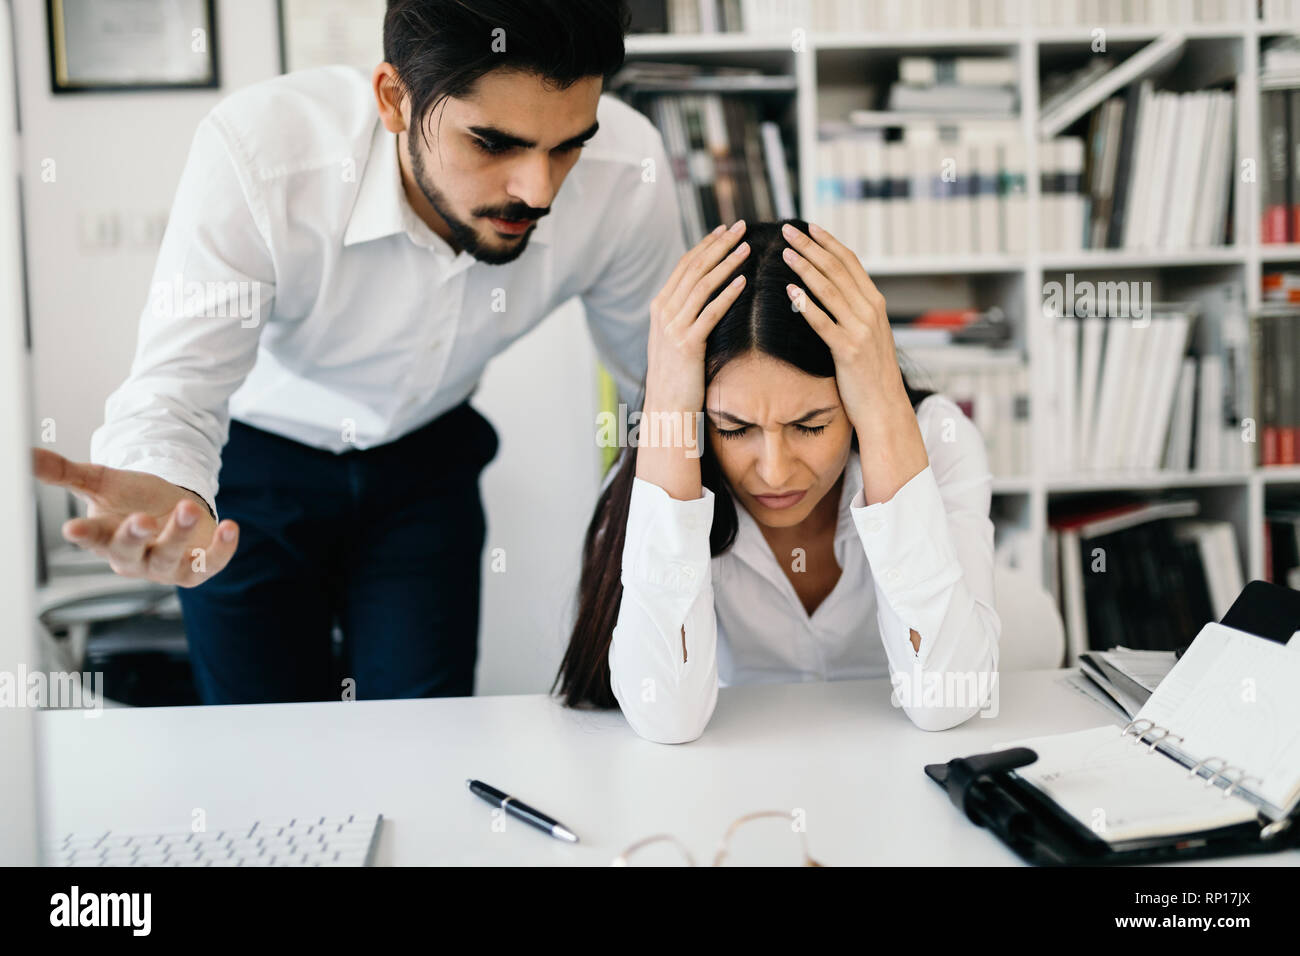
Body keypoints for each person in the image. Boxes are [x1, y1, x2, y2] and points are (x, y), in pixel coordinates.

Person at [32, 0, 685, 704]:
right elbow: (176, 384)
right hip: (252, 473)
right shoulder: (262, 156)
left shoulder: (627, 172)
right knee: (260, 746)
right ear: (394, 99)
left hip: (426, 467)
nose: (538, 190)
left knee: (420, 740)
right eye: (492, 143)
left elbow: (664, 384)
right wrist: (164, 486)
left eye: (567, 147)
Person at [555, 219, 1000, 743]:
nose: (775, 471)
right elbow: (666, 717)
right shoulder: (664, 458)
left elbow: (947, 699)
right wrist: (669, 410)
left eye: (811, 425)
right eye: (734, 428)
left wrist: (884, 413)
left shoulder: (938, 440)